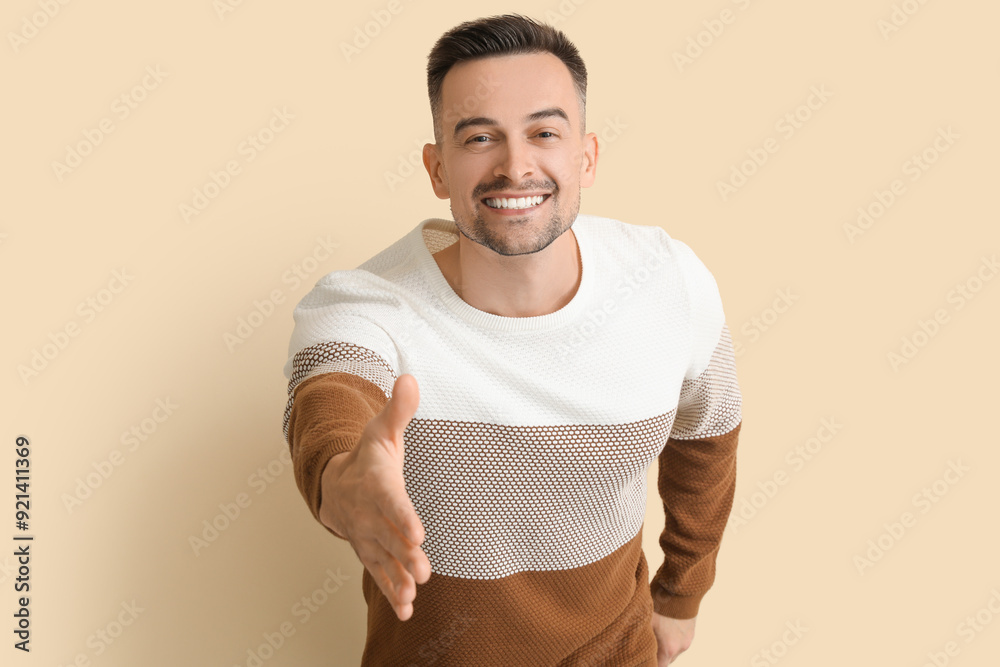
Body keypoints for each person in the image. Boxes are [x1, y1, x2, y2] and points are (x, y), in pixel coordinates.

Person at [282, 14, 742, 666]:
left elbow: (709, 435)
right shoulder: (364, 302)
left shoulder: (669, 281)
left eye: (544, 133)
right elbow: (331, 393)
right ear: (437, 168)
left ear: (586, 156)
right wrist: (344, 480)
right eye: (479, 138)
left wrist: (682, 593)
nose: (515, 166)